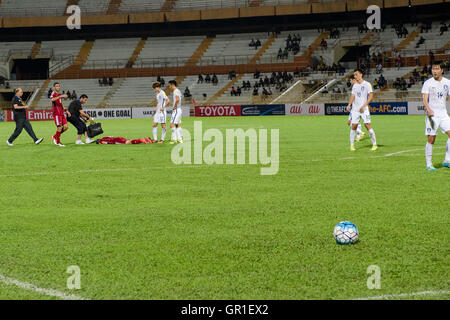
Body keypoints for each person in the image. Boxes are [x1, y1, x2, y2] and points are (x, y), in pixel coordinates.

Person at [421, 61, 450, 171]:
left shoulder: (448, 82)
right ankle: (429, 165)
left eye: (437, 68)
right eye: (433, 69)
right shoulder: (428, 83)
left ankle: (447, 160)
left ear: (442, 70)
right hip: (432, 115)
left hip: (443, 114)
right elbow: (425, 98)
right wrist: (429, 110)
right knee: (431, 138)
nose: (435, 71)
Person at [346, 69, 377, 151]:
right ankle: (352, 145)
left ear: (361, 75)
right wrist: (349, 104)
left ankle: (374, 144)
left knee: (367, 126)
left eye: (356, 74)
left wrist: (364, 105)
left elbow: (371, 96)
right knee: (354, 126)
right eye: (354, 75)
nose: (355, 76)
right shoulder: (355, 86)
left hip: (364, 109)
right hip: (355, 110)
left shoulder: (367, 84)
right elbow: (353, 96)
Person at [50, 82, 70, 147]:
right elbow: (52, 99)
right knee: (59, 128)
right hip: (56, 114)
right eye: (56, 86)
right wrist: (60, 96)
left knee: (66, 127)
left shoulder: (59, 94)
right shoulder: (53, 93)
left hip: (61, 113)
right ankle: (58, 142)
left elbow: (61, 103)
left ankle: (55, 136)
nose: (58, 87)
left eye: (59, 86)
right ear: (54, 87)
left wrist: (65, 110)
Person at [346, 76, 365, 142]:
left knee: (350, 122)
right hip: (358, 107)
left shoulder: (356, 86)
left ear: (354, 80)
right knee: (357, 122)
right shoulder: (358, 86)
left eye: (350, 80)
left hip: (355, 108)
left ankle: (360, 132)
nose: (350, 82)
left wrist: (349, 104)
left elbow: (353, 96)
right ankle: (358, 136)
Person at [168, 80, 183, 144]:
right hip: (179, 109)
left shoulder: (176, 91)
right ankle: (179, 139)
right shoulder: (178, 91)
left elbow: (177, 99)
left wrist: (174, 106)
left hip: (176, 110)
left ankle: (174, 140)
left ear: (172, 85)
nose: (169, 87)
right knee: (178, 125)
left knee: (171, 124)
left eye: (169, 85)